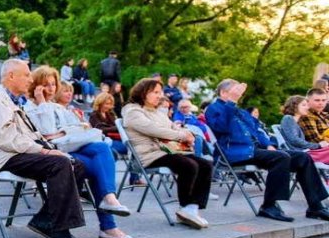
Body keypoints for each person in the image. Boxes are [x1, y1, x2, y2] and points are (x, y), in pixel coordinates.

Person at [0, 60, 96, 238]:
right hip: (3, 157)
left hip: (16, 153)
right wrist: (45, 152)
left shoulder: (12, 100)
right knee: (61, 164)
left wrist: (48, 147)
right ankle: (61, 235)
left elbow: (26, 136)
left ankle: (45, 220)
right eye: (27, 75)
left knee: (77, 165)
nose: (31, 79)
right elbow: (6, 140)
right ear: (11, 76)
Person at [25, 67, 135, 238]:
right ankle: (109, 226)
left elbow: (80, 127)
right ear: (37, 86)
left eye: (54, 84)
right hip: (54, 154)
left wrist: (61, 132)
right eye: (46, 84)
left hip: (72, 147)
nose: (52, 88)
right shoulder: (29, 108)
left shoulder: (58, 107)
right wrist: (42, 103)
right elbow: (46, 133)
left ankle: (110, 199)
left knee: (101, 148)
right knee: (99, 169)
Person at [206, 79, 329, 223]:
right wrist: (231, 103)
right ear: (223, 92)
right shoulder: (214, 108)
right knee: (281, 157)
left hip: (256, 149)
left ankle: (315, 206)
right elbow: (221, 127)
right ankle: (269, 205)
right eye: (236, 91)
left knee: (303, 157)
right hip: (237, 152)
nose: (239, 94)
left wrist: (269, 144)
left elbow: (257, 130)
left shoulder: (240, 111)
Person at [123, 78, 213, 228]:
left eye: (161, 92)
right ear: (142, 92)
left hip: (166, 151)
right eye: (155, 92)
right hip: (149, 155)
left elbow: (173, 127)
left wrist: (187, 133)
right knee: (189, 165)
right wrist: (181, 136)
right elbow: (154, 130)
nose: (159, 95)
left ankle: (192, 208)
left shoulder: (157, 112)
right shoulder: (133, 111)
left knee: (206, 165)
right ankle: (185, 206)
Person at [89, 91, 143, 186]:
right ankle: (105, 178)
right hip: (105, 141)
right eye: (106, 103)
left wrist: (114, 128)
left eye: (110, 104)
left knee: (135, 149)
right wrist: (116, 127)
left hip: (116, 139)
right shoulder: (94, 115)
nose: (108, 106)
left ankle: (134, 178)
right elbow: (100, 130)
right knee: (111, 152)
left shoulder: (111, 114)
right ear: (100, 103)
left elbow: (113, 128)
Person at [279, 95, 329, 164]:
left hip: (305, 152)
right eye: (304, 105)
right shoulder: (288, 118)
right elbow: (294, 140)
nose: (307, 108)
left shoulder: (297, 122)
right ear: (295, 106)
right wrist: (318, 145)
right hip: (301, 154)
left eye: (307, 105)